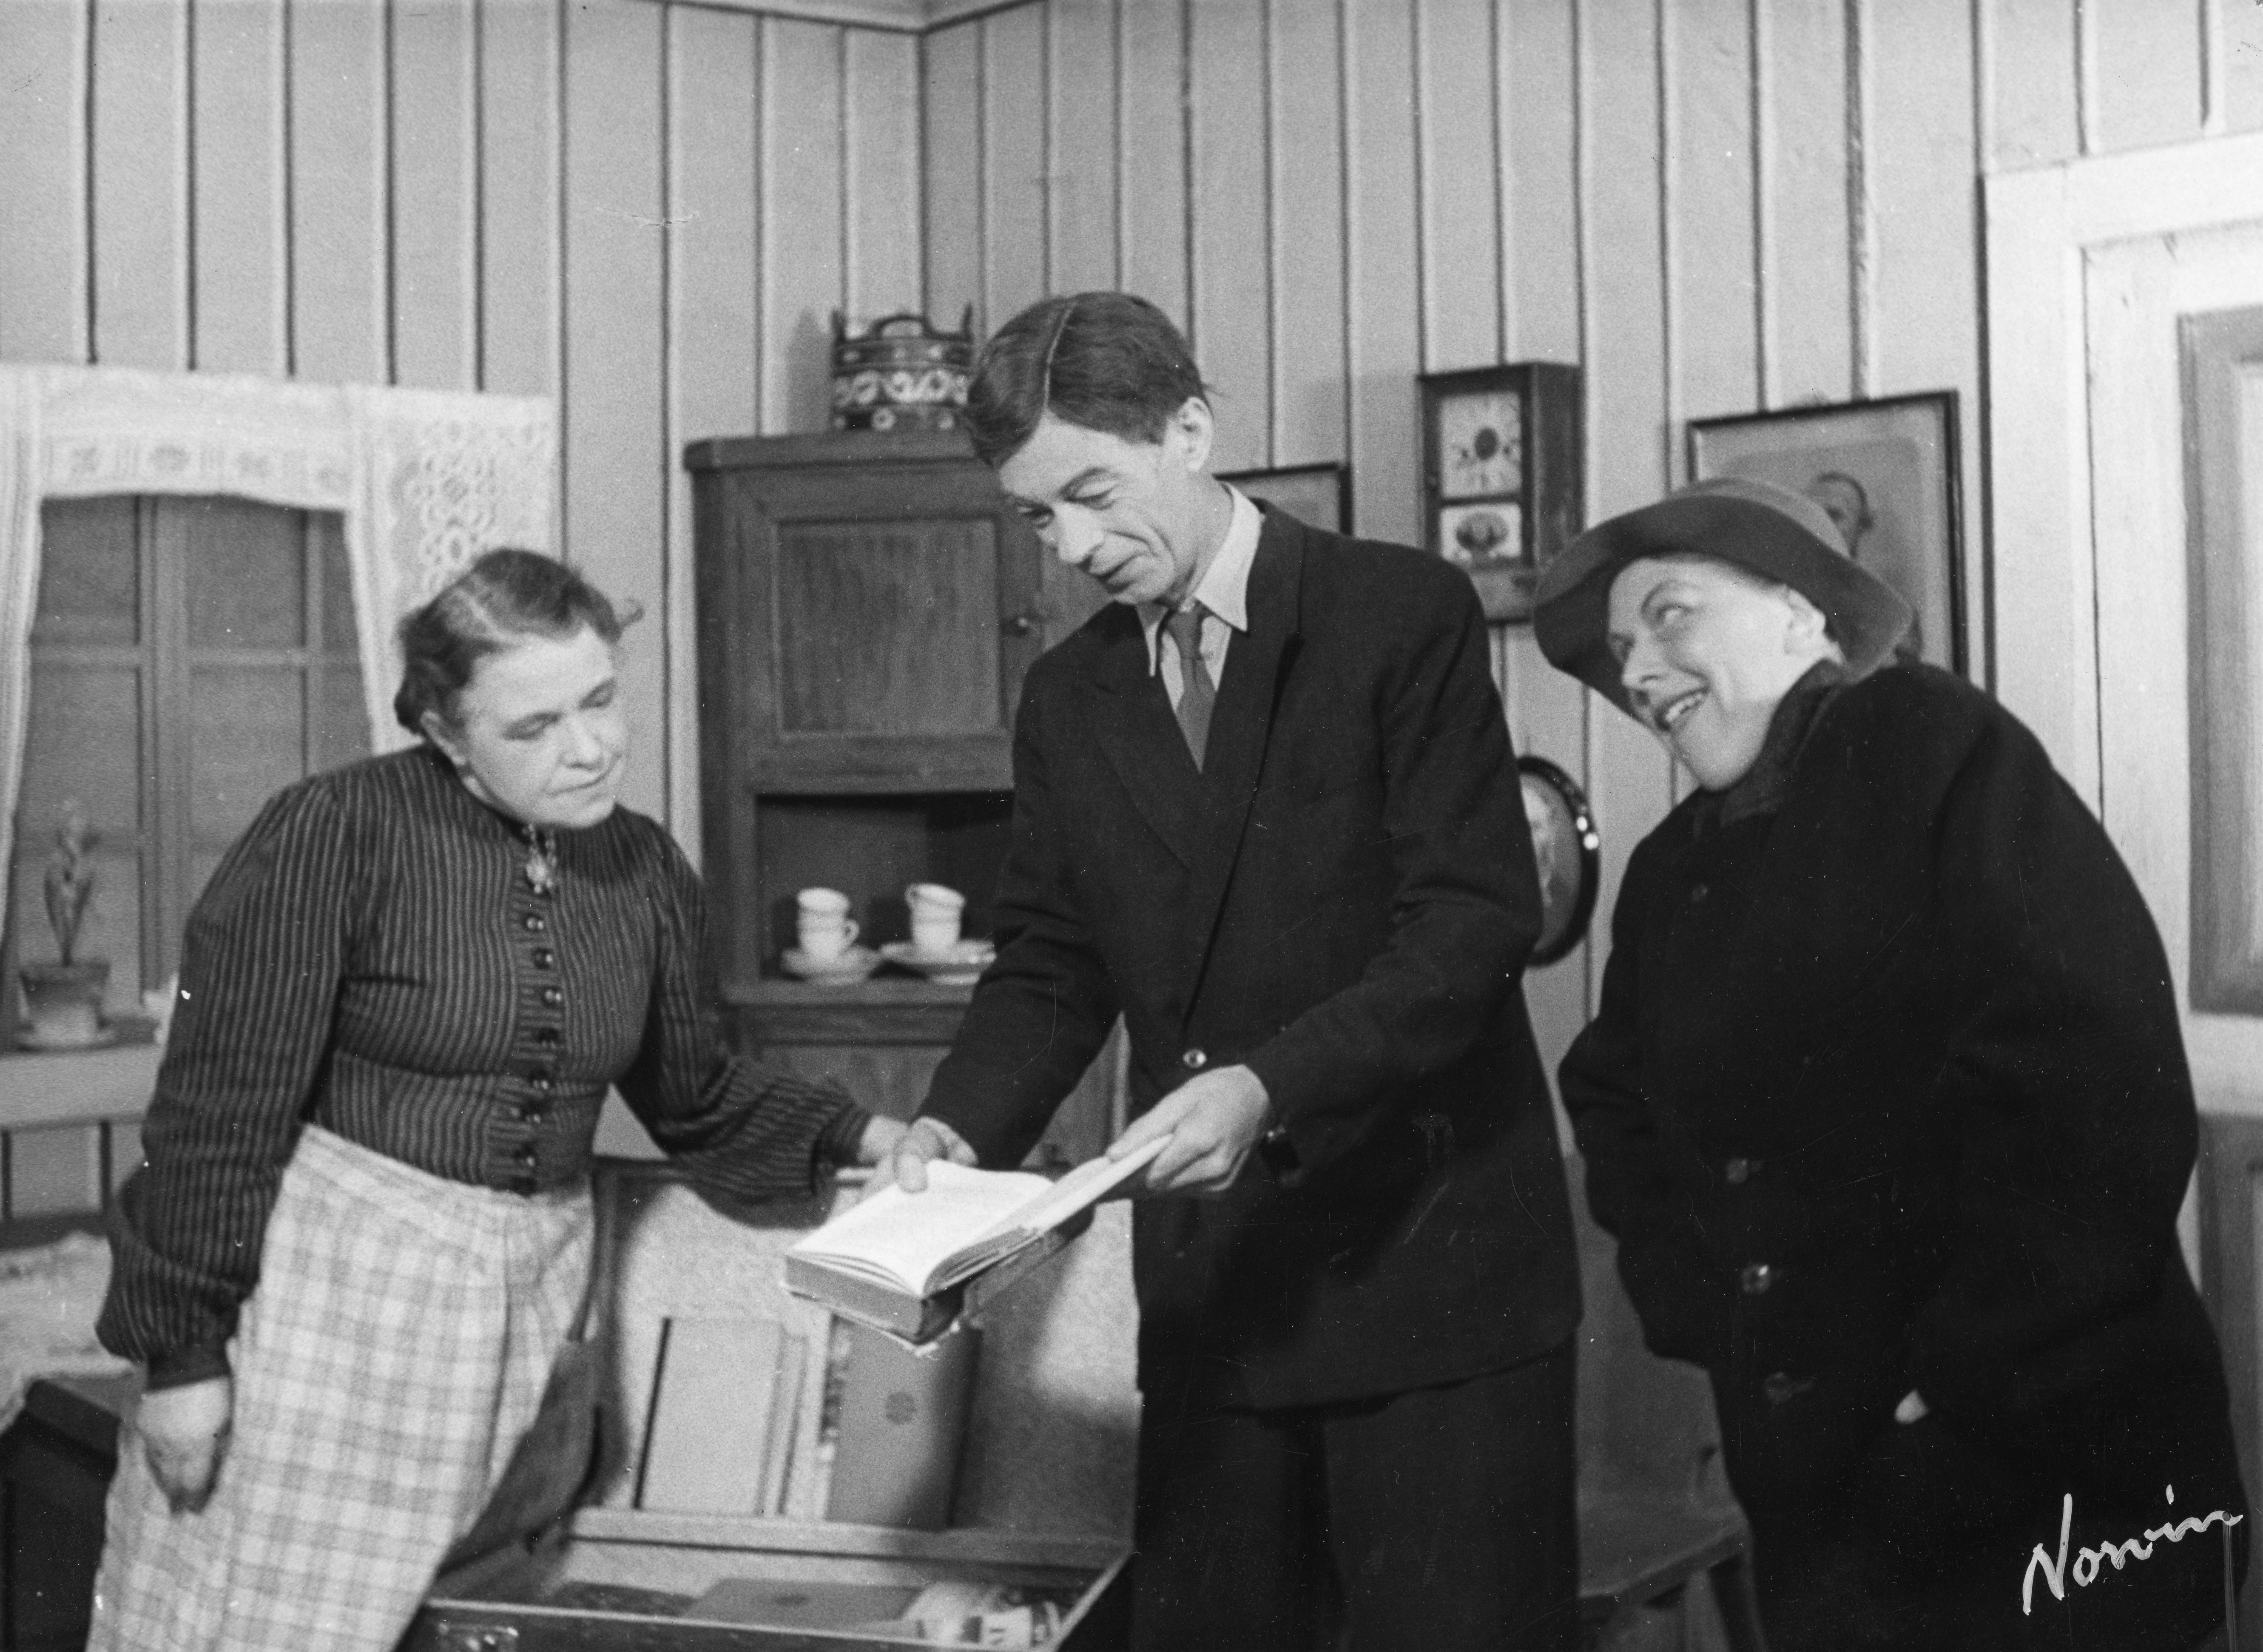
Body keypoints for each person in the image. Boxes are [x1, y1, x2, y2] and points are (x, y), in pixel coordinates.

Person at [886, 292, 1583, 1651]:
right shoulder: (1069, 697)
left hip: (1433, 1281)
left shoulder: (1396, 614)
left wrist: (1268, 1087)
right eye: (1036, 517)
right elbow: (1051, 960)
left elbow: (1469, 927)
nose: (1071, 547)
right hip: (1221, 1299)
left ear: (1191, 432)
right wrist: (958, 1130)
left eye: (1092, 494)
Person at [88, 549, 904, 1650]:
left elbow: (699, 1095)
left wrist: (870, 1136)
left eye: (600, 700)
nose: (591, 748)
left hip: (530, 1316)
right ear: (445, 732)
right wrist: (184, 1358)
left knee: (465, 1621)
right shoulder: (334, 831)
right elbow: (215, 1114)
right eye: (535, 727)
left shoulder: (644, 868)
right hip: (324, 1313)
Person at [1533, 476, 2249, 1651]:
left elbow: (2092, 1077)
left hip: (2038, 1452)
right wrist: (1708, 1312)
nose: (1640, 675)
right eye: (1620, 655)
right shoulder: (1670, 871)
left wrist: (1958, 1373)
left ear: (1803, 616)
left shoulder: (1932, 744)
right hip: (1822, 1482)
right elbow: (1612, 1096)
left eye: (1670, 617)